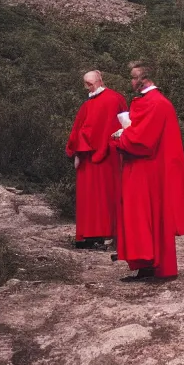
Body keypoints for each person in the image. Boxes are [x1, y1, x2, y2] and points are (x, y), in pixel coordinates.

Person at [111, 60, 184, 282]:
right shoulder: (152, 102)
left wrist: (121, 137)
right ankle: (146, 264)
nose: (131, 81)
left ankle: (152, 265)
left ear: (144, 79)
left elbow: (143, 141)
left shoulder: (155, 103)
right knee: (145, 217)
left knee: (145, 216)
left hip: (147, 171)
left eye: (134, 77)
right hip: (146, 169)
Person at [66, 70, 126, 249]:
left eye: (91, 83)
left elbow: (123, 125)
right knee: (92, 196)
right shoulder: (92, 103)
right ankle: (92, 235)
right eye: (87, 84)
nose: (89, 87)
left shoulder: (113, 99)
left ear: (100, 81)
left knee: (105, 195)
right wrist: (78, 151)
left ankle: (107, 234)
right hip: (92, 156)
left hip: (107, 155)